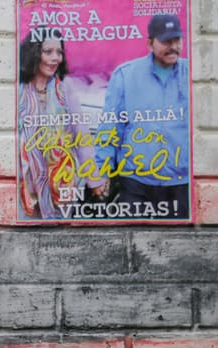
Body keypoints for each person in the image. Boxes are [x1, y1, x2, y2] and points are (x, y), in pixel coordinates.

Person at [89, 13, 190, 219]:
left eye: (177, 40)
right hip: (136, 183)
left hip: (182, 183)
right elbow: (111, 126)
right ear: (150, 43)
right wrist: (101, 170)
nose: (173, 46)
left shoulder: (192, 74)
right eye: (166, 41)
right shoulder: (125, 75)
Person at [16, 33, 104, 219]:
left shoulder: (65, 86)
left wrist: (94, 179)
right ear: (33, 53)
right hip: (24, 183)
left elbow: (81, 134)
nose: (56, 58)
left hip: (61, 181)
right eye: (48, 52)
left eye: (59, 52)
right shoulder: (18, 88)